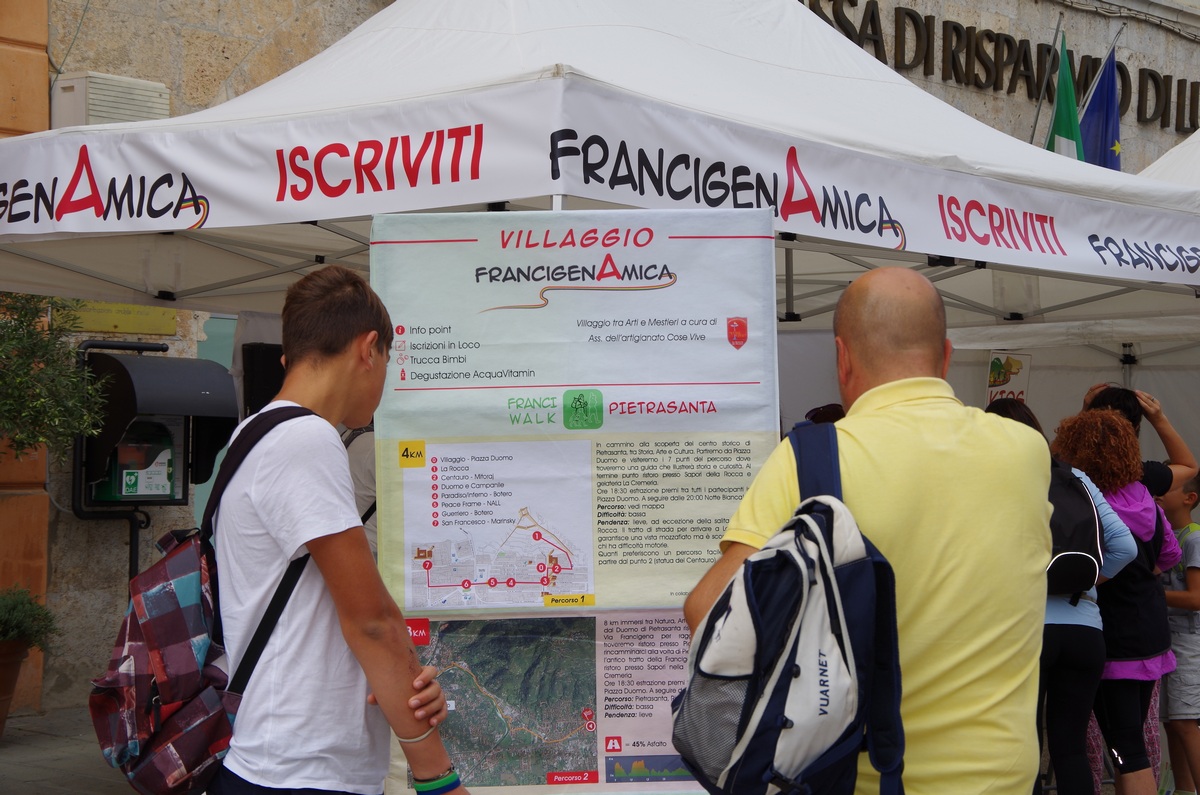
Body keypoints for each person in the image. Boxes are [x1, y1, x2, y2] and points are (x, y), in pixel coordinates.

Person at [684, 267, 1053, 794]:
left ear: (842, 356)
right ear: (946, 356)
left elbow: (706, 610)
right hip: (1005, 779)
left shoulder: (810, 458)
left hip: (869, 779)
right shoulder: (1027, 452)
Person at [210, 265, 468, 795]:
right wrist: (438, 781)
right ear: (368, 349)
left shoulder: (254, 434)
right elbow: (370, 620)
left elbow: (324, 611)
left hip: (283, 754)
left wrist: (401, 677)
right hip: (300, 766)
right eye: (388, 363)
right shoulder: (306, 439)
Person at [985, 398, 1136, 795]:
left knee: (1025, 746)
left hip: (1024, 630)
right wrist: (1087, 580)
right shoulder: (1075, 477)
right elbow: (1126, 547)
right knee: (1070, 749)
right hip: (1085, 631)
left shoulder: (993, 480)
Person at [1052, 409, 1182, 795]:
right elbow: (1170, 555)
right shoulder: (1145, 497)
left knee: (1124, 749)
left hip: (1112, 637)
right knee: (1130, 744)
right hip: (1150, 632)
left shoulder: (1086, 502)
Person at [1161, 472, 1200, 795]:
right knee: (1173, 724)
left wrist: (1149, 593)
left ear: (1190, 498)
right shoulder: (1167, 535)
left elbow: (1196, 598)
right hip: (1168, 643)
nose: (1158, 491)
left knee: (1185, 722)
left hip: (1189, 645)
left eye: (1168, 487)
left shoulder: (1194, 539)